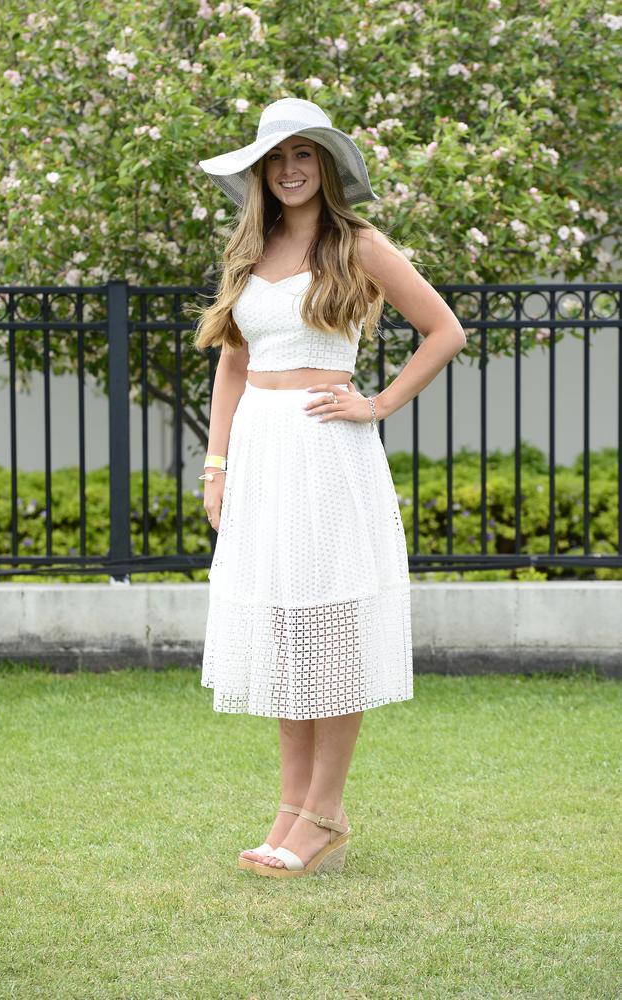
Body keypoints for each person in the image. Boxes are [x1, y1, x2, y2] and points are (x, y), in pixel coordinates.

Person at [193, 97, 466, 878]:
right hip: (260, 452)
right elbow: (233, 364)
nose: (289, 170)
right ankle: (292, 809)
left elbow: (443, 329)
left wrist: (376, 404)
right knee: (284, 629)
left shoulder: (360, 244)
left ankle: (323, 812)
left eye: (302, 155)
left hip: (327, 451)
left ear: (327, 166)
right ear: (260, 172)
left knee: (331, 630)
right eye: (276, 159)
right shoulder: (251, 248)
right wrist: (215, 465)